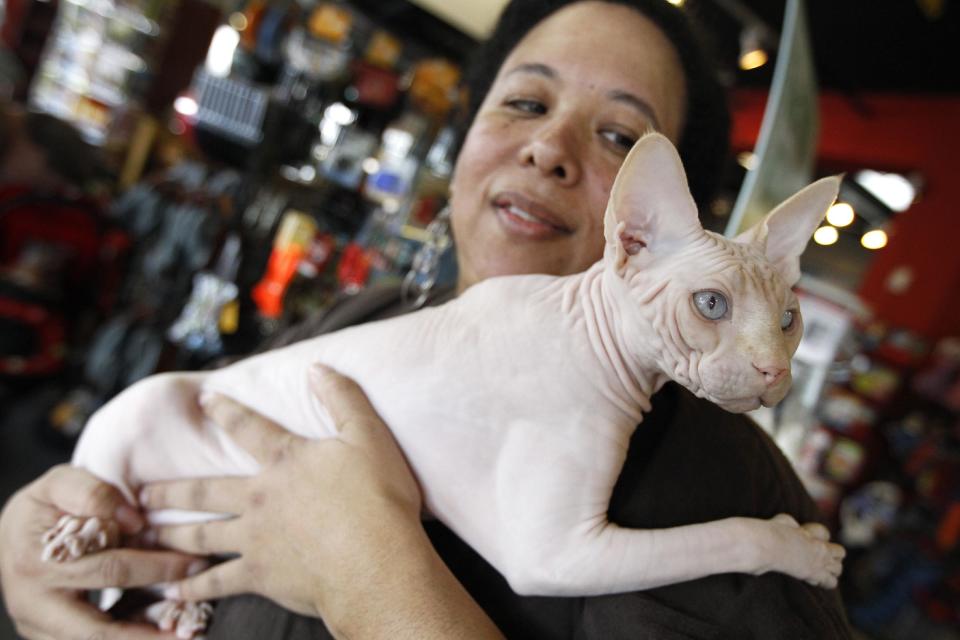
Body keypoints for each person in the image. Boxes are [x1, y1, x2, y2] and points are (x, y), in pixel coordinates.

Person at [0, 1, 854, 638]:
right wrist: (30, 556)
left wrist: (371, 578)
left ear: (664, 220)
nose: (547, 147)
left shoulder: (730, 490)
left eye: (620, 135)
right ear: (465, 139)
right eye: (524, 103)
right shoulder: (373, 311)